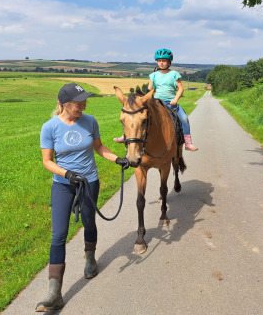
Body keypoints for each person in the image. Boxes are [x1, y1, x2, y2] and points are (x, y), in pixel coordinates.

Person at [36, 83, 129, 312]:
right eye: (78, 104)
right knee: (58, 235)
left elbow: (98, 147)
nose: (83, 106)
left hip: (89, 182)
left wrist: (117, 159)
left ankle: (90, 259)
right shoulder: (50, 128)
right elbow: (47, 161)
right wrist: (67, 174)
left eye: (84, 102)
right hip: (63, 185)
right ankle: (54, 293)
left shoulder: (90, 121)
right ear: (63, 105)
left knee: (89, 221)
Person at [114, 48, 198, 151]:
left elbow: (180, 89)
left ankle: (188, 143)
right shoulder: (153, 75)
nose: (161, 63)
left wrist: (175, 99)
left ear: (169, 62)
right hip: (157, 102)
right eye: (159, 61)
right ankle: (125, 136)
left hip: (171, 102)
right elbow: (149, 90)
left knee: (184, 118)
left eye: (164, 60)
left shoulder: (174, 74)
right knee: (137, 116)